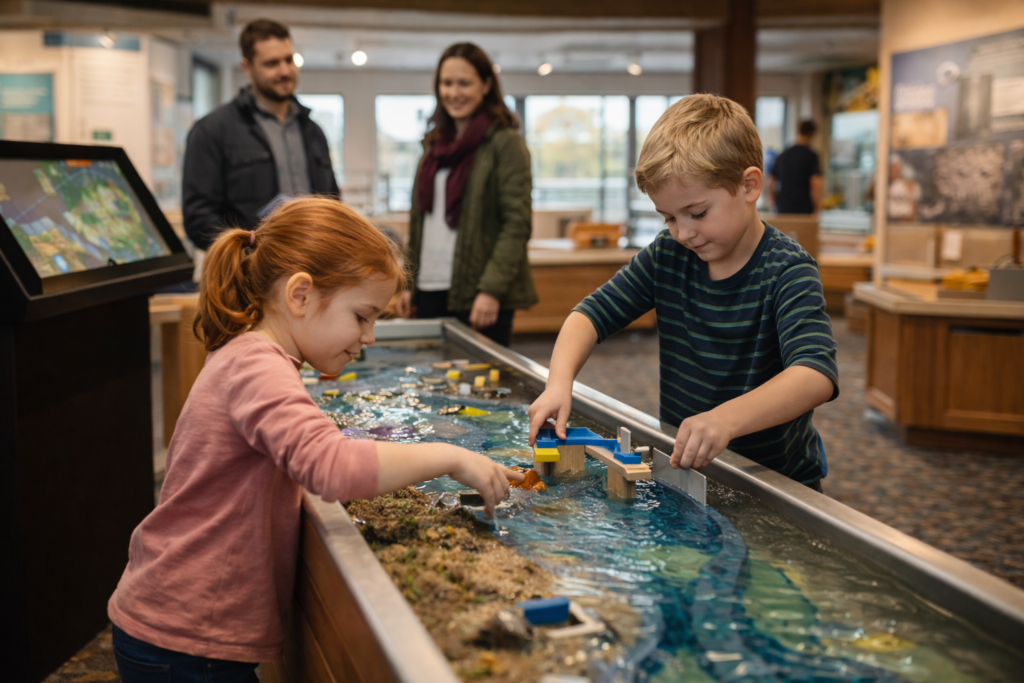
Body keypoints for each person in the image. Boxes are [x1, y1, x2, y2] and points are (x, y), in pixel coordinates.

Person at [107, 197, 523, 682]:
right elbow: (331, 468)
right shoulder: (257, 366)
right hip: (185, 638)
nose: (369, 338)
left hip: (187, 626)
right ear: (299, 295)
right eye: (362, 316)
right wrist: (449, 456)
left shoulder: (255, 354)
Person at [528, 95, 838, 490]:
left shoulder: (787, 269)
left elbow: (814, 374)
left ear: (749, 186)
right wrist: (558, 383)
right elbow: (589, 315)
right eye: (669, 217)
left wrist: (726, 418)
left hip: (775, 480)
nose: (683, 232)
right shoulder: (668, 255)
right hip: (690, 469)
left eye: (698, 213)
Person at [395, 43, 536, 347]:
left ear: (486, 85)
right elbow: (421, 223)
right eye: (447, 83)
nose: (453, 92)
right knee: (431, 384)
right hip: (430, 286)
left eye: (464, 83)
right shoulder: (432, 147)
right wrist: (408, 284)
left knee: (479, 388)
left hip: (477, 293)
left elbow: (517, 224)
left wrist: (491, 291)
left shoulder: (505, 143)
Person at [182, 19, 339, 264]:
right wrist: (251, 253)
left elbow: (332, 202)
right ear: (247, 67)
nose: (285, 71)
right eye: (272, 63)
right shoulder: (212, 130)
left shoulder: (313, 131)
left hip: (312, 270)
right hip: (248, 278)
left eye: (289, 60)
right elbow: (198, 219)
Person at [767, 120, 823, 214]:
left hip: (783, 209)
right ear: (812, 135)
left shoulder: (783, 155)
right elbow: (815, 183)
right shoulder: (811, 156)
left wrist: (775, 203)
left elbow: (770, 182)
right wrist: (816, 208)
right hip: (804, 211)